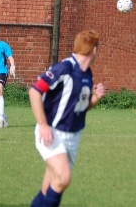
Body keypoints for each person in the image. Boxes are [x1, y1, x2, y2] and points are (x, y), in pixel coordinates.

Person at [29, 30, 106, 207]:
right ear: (94, 50)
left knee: (50, 187)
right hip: (52, 133)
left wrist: (96, 98)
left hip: (72, 136)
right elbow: (35, 91)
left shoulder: (86, 73)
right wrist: (42, 124)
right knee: (63, 178)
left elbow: (81, 108)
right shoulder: (65, 68)